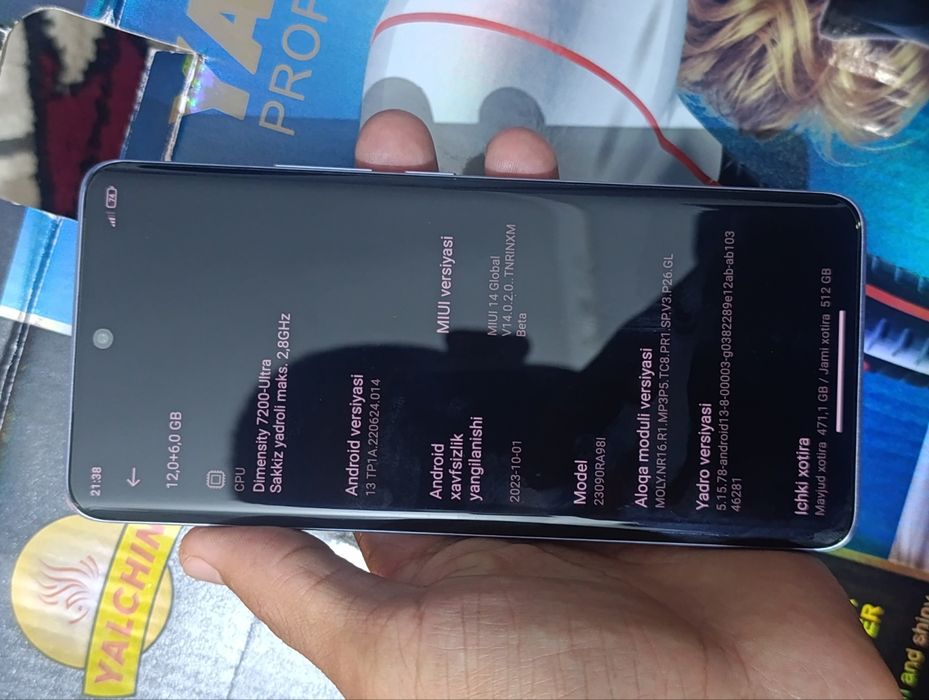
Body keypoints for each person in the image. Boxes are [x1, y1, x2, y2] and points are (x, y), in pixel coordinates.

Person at [180, 110, 899, 700]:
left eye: (426, 411)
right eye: (397, 445)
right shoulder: (688, 331)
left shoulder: (704, 282)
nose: (468, 442)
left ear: (487, 345)